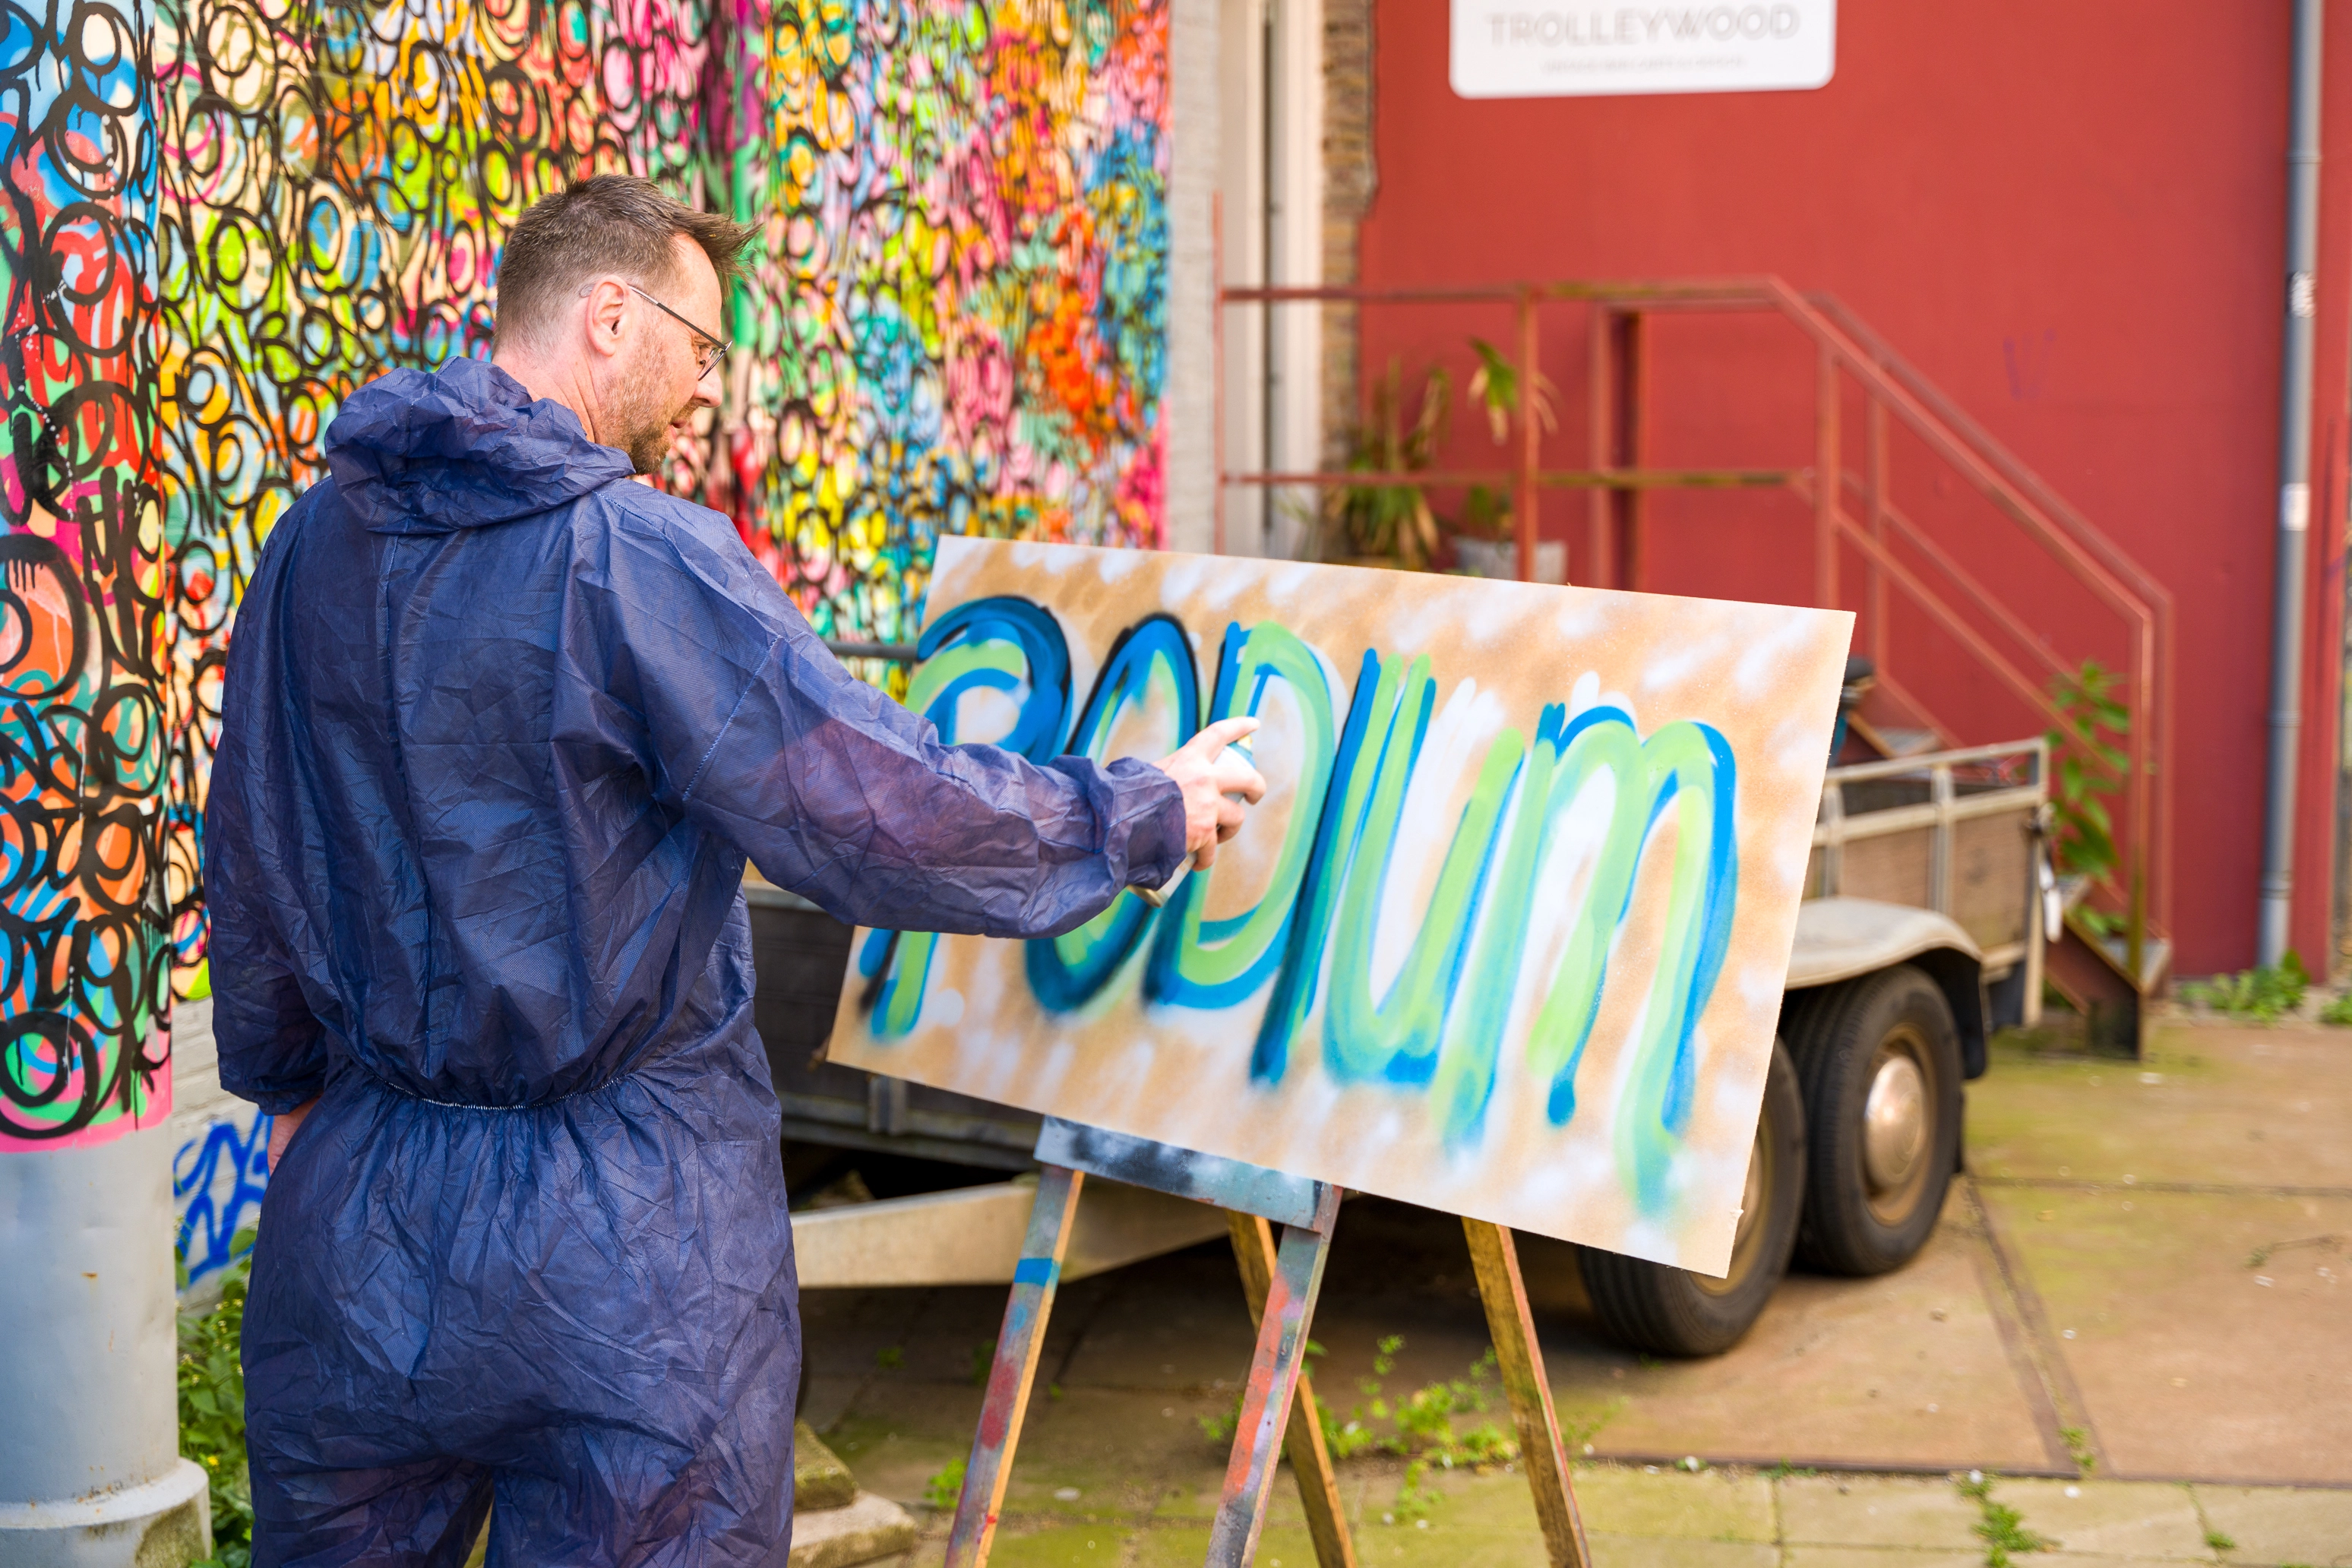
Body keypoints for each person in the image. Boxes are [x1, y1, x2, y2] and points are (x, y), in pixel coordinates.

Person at [206, 173, 1265, 1568]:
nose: (707, 390)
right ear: (605, 315)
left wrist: (290, 1091)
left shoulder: (307, 546)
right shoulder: (634, 558)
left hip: (358, 1222)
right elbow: (878, 807)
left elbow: (255, 849)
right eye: (700, 348)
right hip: (622, 1250)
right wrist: (1132, 814)